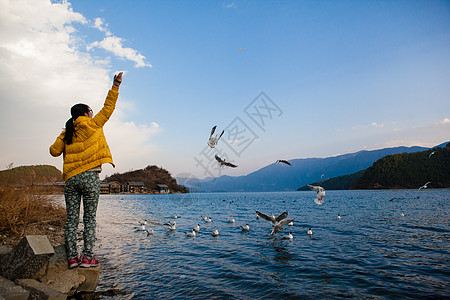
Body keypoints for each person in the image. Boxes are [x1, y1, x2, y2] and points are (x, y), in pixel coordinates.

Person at [50, 72, 123, 268]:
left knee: (72, 219)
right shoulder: (93, 124)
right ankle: (87, 257)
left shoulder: (67, 132)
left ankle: (72, 258)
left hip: (71, 180)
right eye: (90, 111)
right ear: (85, 113)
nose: (92, 113)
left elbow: (53, 152)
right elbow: (108, 107)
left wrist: (63, 134)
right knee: (89, 218)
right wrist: (115, 85)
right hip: (90, 177)